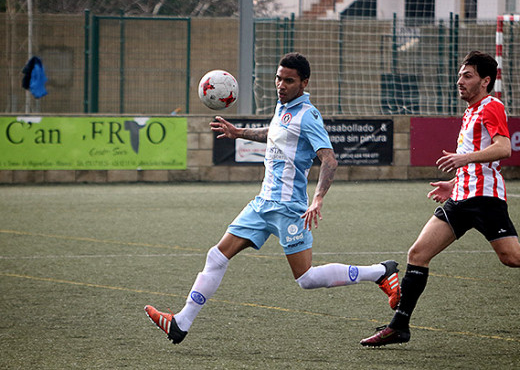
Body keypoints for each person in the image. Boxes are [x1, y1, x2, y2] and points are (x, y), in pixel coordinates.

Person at [144, 52, 401, 345]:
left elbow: (329, 160)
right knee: (216, 255)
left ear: (304, 83)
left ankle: (381, 272)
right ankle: (181, 322)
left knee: (305, 279)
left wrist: (317, 199)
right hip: (263, 203)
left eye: (289, 80)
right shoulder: (283, 107)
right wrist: (238, 132)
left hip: (289, 208)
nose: (281, 85)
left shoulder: (308, 115)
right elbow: (274, 133)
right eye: (278, 78)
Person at [360, 51, 520, 347]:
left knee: (512, 258)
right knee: (418, 254)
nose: (459, 80)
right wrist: (454, 183)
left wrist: (464, 159)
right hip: (460, 198)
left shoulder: (491, 106)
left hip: (485, 199)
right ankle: (399, 327)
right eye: (460, 74)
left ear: (486, 81)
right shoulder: (471, 111)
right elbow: (477, 161)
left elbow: (504, 148)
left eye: (467, 75)